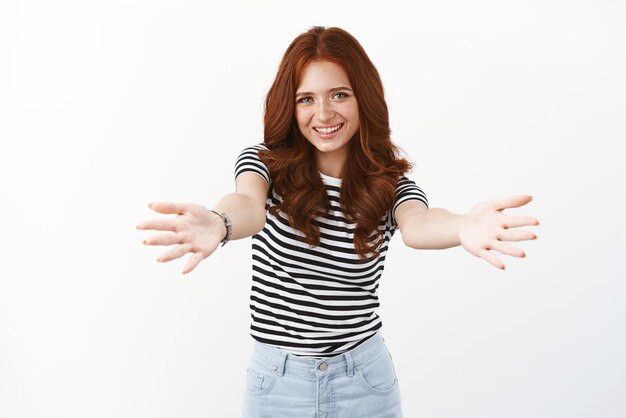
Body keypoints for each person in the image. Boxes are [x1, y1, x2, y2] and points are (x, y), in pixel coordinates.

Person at [136, 26, 539, 418]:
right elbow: (247, 206)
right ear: (289, 108)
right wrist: (220, 222)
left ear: (364, 98)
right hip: (278, 384)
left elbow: (419, 224)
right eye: (306, 99)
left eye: (339, 95)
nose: (324, 113)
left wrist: (463, 225)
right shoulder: (264, 164)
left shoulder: (390, 183)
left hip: (364, 382)